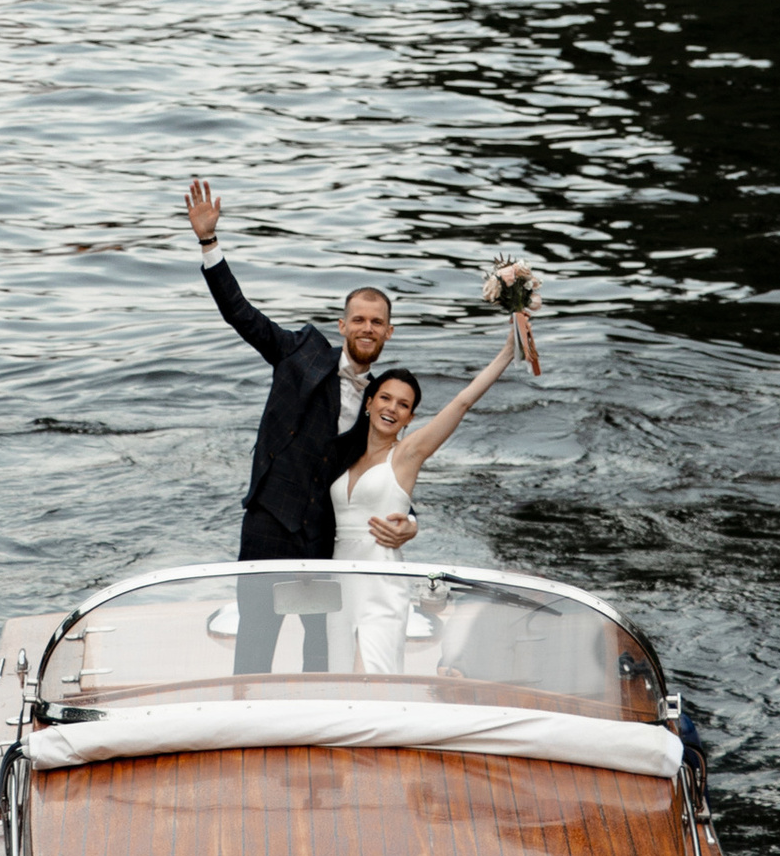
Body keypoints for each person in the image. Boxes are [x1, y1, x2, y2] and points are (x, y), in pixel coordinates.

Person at [185, 180, 393, 674]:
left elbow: (393, 467)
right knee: (255, 645)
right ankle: (245, 730)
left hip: (326, 538)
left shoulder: (385, 399)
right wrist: (209, 244)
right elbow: (243, 316)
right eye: (359, 319)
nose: (367, 328)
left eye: (377, 322)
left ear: (388, 331)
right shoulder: (299, 352)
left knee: (320, 652)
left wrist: (405, 521)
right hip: (270, 523)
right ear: (343, 326)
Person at [335, 322, 525, 675]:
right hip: (337, 578)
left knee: (371, 677)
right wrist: (412, 521)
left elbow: (462, 402)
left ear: (410, 417)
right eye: (386, 398)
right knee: (338, 672)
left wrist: (506, 353)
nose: (392, 408)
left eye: (403, 405)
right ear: (369, 403)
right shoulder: (342, 454)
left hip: (380, 579)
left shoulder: (407, 454)